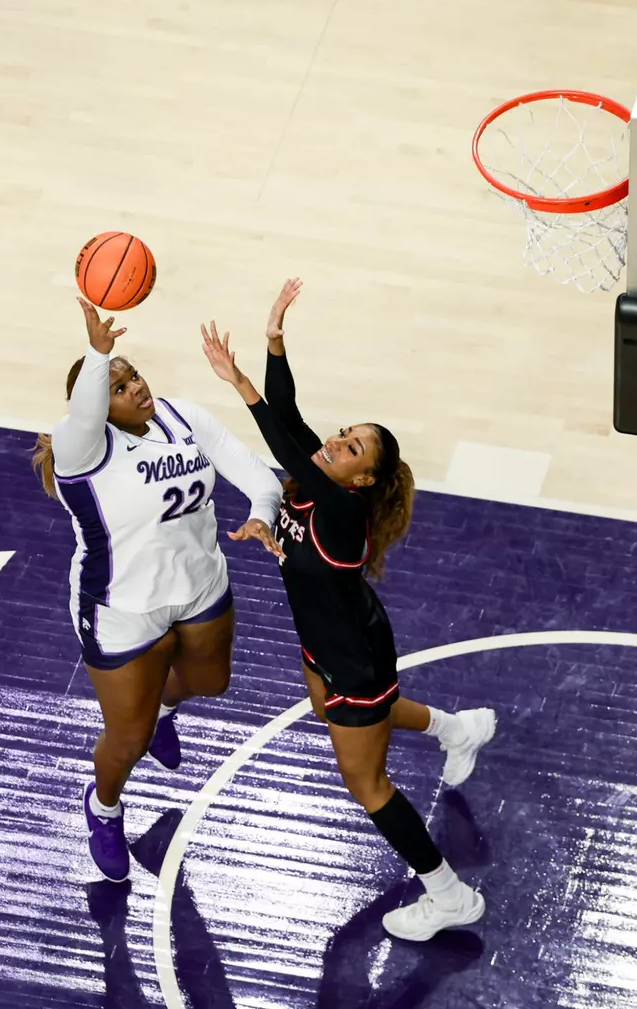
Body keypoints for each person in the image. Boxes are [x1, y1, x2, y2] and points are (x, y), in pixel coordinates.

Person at [200, 279, 496, 942]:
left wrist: (238, 381)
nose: (336, 443)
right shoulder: (315, 482)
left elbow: (279, 436)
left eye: (352, 448)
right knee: (334, 713)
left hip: (353, 657)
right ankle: (456, 729)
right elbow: (290, 414)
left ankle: (448, 895)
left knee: (368, 784)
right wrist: (274, 337)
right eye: (342, 436)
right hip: (328, 639)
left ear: (361, 479)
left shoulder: (340, 509)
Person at [33, 298, 283, 882]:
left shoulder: (183, 417)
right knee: (129, 735)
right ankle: (104, 807)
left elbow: (255, 474)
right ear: (98, 404)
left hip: (198, 584)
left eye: (134, 373)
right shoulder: (80, 449)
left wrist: (263, 514)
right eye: (118, 386)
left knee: (210, 682)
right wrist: (98, 353)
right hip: (122, 607)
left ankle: (167, 708)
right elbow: (85, 411)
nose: (135, 386)